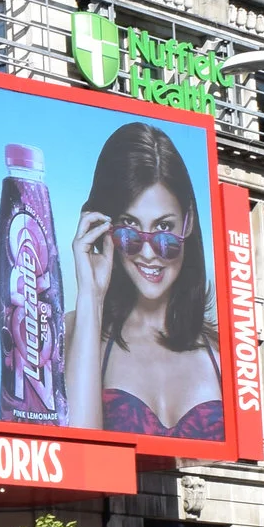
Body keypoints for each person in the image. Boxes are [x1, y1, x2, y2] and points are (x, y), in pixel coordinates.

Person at [64, 124, 223, 439]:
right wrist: (91, 298)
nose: (149, 253)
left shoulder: (222, 350)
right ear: (104, 228)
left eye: (164, 228)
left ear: (188, 222)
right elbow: (79, 453)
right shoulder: (72, 332)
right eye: (129, 228)